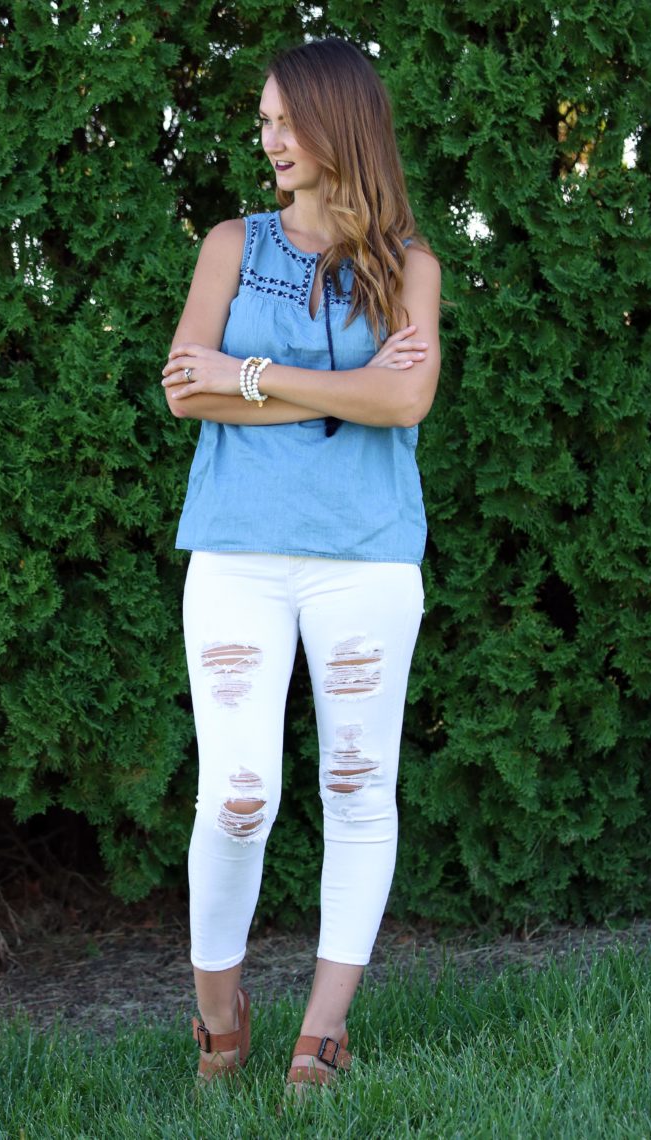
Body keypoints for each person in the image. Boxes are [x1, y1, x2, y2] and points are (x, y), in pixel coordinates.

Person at [161, 37, 441, 1093]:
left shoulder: (410, 266)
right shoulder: (231, 243)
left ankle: (318, 1038)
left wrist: (257, 375)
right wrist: (343, 382)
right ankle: (217, 1021)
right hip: (236, 553)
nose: (269, 136)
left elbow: (405, 403)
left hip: (366, 560)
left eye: (286, 119)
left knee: (359, 787)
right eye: (265, 120)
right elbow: (186, 387)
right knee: (236, 795)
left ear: (338, 124)